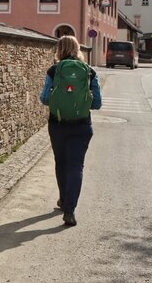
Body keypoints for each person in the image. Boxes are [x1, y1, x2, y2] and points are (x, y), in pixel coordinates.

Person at [39, 35, 102, 226]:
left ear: (59, 49)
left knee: (61, 163)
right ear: (78, 49)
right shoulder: (89, 72)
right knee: (76, 166)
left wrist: (61, 99)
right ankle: (70, 210)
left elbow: (44, 99)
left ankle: (63, 199)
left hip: (58, 125)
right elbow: (97, 103)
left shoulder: (54, 70)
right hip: (82, 125)